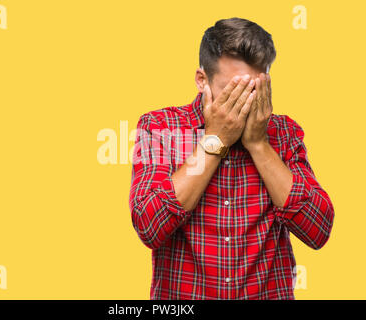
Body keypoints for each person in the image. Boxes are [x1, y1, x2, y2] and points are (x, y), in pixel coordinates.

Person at [128, 17, 334, 299]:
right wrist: (216, 140)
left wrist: (260, 145)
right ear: (202, 80)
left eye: (252, 90)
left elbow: (317, 230)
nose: (244, 103)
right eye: (232, 90)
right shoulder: (161, 127)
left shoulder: (284, 133)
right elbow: (149, 226)